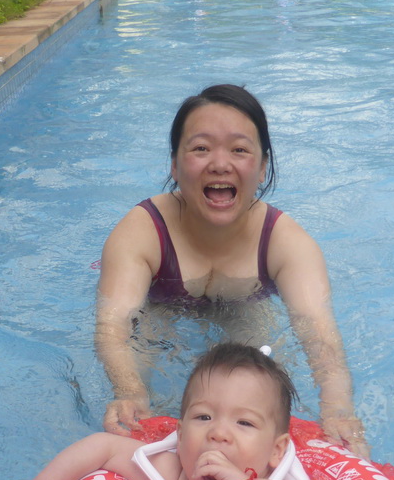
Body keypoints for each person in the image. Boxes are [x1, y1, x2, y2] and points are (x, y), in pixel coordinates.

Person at [95, 84, 369, 458]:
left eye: (239, 150)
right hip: (160, 308)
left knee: (264, 395)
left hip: (245, 307)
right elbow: (114, 328)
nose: (220, 163)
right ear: (174, 165)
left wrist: (338, 412)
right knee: (137, 405)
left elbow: (320, 338)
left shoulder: (285, 242)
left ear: (262, 168)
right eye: (201, 148)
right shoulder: (142, 230)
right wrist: (128, 393)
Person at [0, 343, 354, 480]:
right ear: (181, 434)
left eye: (244, 422)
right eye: (203, 417)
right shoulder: (166, 474)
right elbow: (101, 446)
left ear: (276, 451)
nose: (218, 433)